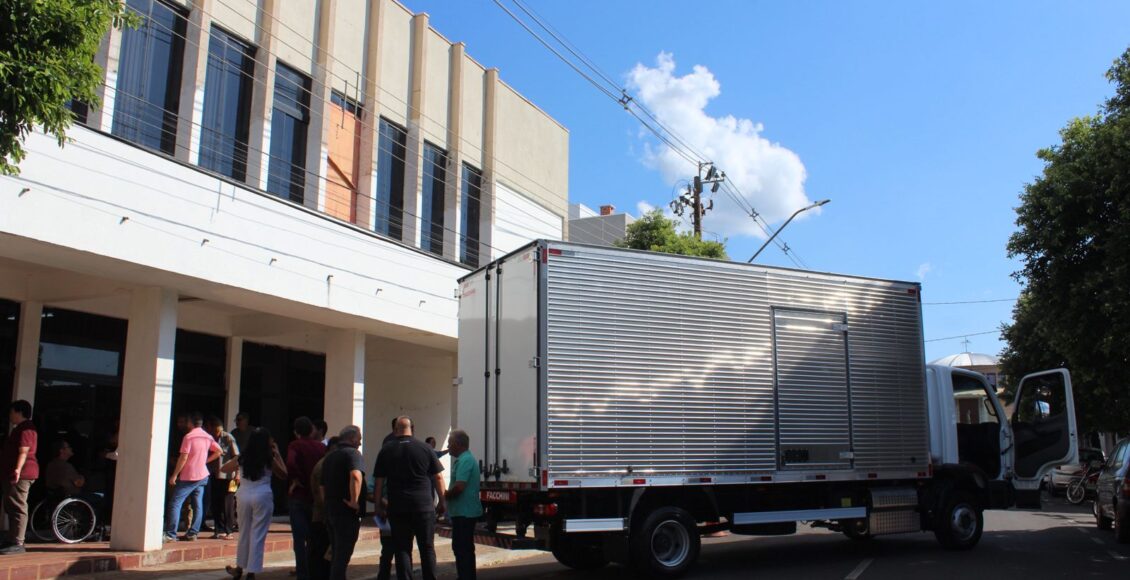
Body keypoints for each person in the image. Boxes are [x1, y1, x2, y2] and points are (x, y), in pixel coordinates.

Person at [374, 416, 446, 580]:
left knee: (402, 548)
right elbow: (438, 478)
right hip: (423, 506)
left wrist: (378, 505)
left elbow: (379, 481)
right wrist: (442, 502)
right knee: (427, 548)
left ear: (395, 430)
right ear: (412, 429)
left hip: (398, 507)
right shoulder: (425, 448)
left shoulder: (386, 450)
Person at [225, 428, 287, 580]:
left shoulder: (243, 458)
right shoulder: (269, 458)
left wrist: (237, 464)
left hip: (244, 494)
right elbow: (284, 474)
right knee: (258, 534)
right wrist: (277, 453)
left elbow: (224, 468)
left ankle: (239, 568)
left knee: (244, 532)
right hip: (262, 495)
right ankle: (251, 572)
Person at [166, 413, 221, 542]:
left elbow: (183, 457)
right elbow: (219, 451)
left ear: (191, 423)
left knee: (175, 503)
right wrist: (205, 461)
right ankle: (193, 533)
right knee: (198, 504)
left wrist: (174, 475)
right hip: (202, 475)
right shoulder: (207, 436)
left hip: (188, 476)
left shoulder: (189, 437)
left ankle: (171, 534)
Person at [321, 426, 364, 580]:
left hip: (331, 510)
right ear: (352, 439)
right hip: (346, 513)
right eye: (359, 438)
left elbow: (322, 487)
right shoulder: (353, 454)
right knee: (342, 556)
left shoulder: (330, 457)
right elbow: (356, 476)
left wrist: (326, 505)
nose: (360, 442)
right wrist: (354, 501)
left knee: (336, 554)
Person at [287, 417, 326, 580]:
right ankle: (314, 570)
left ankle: (302, 573)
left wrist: (295, 478)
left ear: (296, 432)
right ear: (312, 430)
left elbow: (290, 462)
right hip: (316, 497)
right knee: (314, 537)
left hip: (300, 495)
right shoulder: (321, 448)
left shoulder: (295, 445)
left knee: (299, 539)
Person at [0, 400, 38, 554]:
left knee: (18, 506)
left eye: (11, 412)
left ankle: (18, 542)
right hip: (14, 473)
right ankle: (11, 538)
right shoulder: (20, 429)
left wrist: (17, 469)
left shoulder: (26, 429)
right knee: (10, 505)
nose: (10, 416)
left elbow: (24, 450)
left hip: (21, 474)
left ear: (18, 412)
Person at [445, 431, 482, 580]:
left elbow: (459, 487)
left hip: (464, 513)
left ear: (458, 444)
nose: (448, 446)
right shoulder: (462, 460)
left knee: (463, 549)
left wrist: (446, 494)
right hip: (461, 512)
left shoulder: (465, 460)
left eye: (450, 443)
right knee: (460, 548)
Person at [309, 436, 340, 580]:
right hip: (323, 516)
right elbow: (321, 493)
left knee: (321, 554)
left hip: (322, 515)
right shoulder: (325, 466)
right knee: (322, 554)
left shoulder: (325, 464)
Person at [208, 416, 240, 539]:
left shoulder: (228, 438)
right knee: (216, 503)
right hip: (215, 475)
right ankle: (218, 529)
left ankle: (229, 530)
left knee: (228, 503)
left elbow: (237, 457)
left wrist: (237, 474)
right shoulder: (210, 438)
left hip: (229, 477)